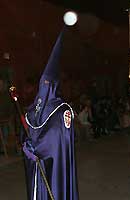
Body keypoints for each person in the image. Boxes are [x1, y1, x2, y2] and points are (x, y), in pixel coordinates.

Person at [22, 29, 79, 200]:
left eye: (47, 84)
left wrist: (36, 148)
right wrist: (26, 146)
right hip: (38, 168)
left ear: (53, 86)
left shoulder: (63, 110)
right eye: (42, 84)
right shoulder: (33, 110)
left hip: (56, 169)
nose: (44, 87)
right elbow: (27, 133)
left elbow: (57, 138)